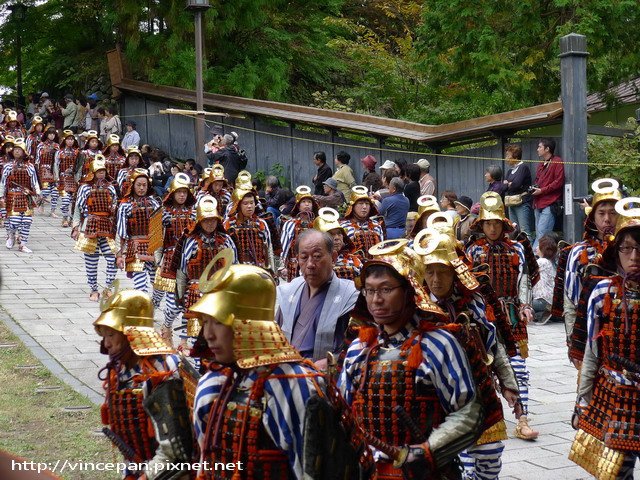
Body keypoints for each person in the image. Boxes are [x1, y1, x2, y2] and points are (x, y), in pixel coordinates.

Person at [338, 239, 483, 479]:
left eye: (386, 289)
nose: (376, 299)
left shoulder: (438, 344)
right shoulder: (358, 349)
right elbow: (345, 413)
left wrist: (427, 450)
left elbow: (468, 410)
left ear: (409, 290)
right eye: (370, 290)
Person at [190, 257, 325, 479]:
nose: (208, 335)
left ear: (247, 323)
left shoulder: (289, 384)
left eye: (218, 322)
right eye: (205, 322)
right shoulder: (215, 381)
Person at [415, 219, 521, 480]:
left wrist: (508, 384)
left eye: (443, 271)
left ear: (455, 270)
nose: (436, 279)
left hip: (478, 388)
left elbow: (491, 342)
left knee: (490, 455)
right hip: (434, 396)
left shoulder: (473, 300)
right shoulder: (414, 307)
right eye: (430, 272)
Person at [569, 196, 640, 479]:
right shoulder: (602, 293)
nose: (634, 257)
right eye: (626, 248)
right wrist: (582, 401)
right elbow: (592, 353)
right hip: (613, 396)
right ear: (616, 251)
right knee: (615, 473)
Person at [94, 289, 192, 480]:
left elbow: (175, 450)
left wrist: (146, 476)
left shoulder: (163, 369)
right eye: (103, 335)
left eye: (111, 335)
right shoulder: (120, 370)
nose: (105, 344)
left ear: (132, 333)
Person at [466, 192, 540, 440]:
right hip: (483, 316)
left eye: (496, 222)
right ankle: (487, 421)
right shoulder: (473, 250)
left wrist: (525, 304)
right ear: (481, 225)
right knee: (484, 367)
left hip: (512, 314)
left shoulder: (518, 247)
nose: (493, 227)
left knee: (518, 367)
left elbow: (528, 278)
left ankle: (522, 417)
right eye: (488, 223)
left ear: (504, 223)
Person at [562, 178, 621, 367]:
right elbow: (571, 301)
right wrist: (573, 342)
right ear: (592, 216)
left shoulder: (631, 248)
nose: (607, 219)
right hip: (590, 332)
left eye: (613, 213)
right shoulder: (580, 252)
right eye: (601, 213)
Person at [276, 229, 358, 360]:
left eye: (317, 256)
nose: (310, 264)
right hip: (289, 372)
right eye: (304, 257)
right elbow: (275, 339)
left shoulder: (350, 296)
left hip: (326, 376)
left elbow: (359, 348)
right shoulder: (289, 291)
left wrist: (334, 362)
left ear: (333, 258)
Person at [176, 196, 237, 353]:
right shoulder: (191, 241)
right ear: (199, 222)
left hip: (220, 291)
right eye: (206, 220)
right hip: (196, 291)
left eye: (213, 220)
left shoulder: (226, 240)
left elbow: (235, 265)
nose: (210, 224)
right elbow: (183, 270)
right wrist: (181, 294)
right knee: (196, 335)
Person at [153, 173, 197, 347]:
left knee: (188, 302)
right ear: (172, 193)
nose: (182, 195)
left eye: (185, 192)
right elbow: (157, 238)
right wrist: (158, 259)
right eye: (179, 192)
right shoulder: (164, 212)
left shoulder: (194, 214)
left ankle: (184, 340)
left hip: (190, 262)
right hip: (171, 259)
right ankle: (166, 326)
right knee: (173, 304)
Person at [71, 156, 118, 301]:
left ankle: (108, 288)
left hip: (106, 225)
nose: (101, 174)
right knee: (92, 260)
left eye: (103, 171)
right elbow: (78, 208)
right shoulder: (85, 188)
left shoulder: (110, 187)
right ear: (93, 172)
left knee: (113, 257)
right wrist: (76, 226)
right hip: (89, 226)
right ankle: (93, 289)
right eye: (99, 171)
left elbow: (115, 206)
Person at [115, 169, 161, 293]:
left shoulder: (154, 204)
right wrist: (119, 255)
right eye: (138, 185)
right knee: (141, 287)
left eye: (144, 185)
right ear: (132, 185)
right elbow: (121, 232)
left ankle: (153, 306)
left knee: (159, 286)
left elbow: (160, 230)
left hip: (153, 247)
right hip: (134, 247)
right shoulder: (125, 206)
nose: (141, 188)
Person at [223, 171, 274, 271]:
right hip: (237, 272)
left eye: (252, 203)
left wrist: (271, 271)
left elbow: (268, 249)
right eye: (245, 204)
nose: (250, 206)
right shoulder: (228, 225)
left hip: (258, 271)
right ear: (238, 206)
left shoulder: (261, 224)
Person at [0, 139, 40, 253]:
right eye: (15, 150)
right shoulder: (8, 166)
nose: (17, 152)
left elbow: (34, 181)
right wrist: (1, 197)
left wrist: (37, 193)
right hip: (12, 196)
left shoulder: (30, 166)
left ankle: (23, 244)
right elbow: (3, 182)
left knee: (27, 221)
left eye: (19, 150)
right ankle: (11, 235)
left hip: (26, 196)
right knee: (14, 221)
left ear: (24, 152)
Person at [279, 186, 318, 281]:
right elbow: (284, 246)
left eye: (309, 202)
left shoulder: (318, 224)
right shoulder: (290, 224)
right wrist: (282, 266)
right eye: (304, 202)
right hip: (294, 265)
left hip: (315, 264)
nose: (307, 204)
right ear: (298, 205)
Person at [532, 138, 564, 249]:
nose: (537, 149)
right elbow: (538, 181)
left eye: (540, 147)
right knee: (539, 234)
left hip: (550, 203)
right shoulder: (541, 164)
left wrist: (543, 190)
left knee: (543, 235)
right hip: (537, 202)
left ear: (547, 149)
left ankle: (534, 259)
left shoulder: (557, 161)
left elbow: (558, 182)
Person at [314, 207, 363, 281]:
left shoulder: (353, 260)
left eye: (339, 233)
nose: (336, 238)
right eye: (331, 234)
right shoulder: (312, 262)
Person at [340, 186, 384, 259]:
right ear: (353, 207)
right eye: (360, 203)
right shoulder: (343, 227)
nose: (364, 207)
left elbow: (382, 249)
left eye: (367, 204)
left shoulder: (377, 226)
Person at [504, 144, 534, 238]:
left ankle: (529, 251)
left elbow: (516, 184)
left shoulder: (523, 167)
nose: (506, 158)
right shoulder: (510, 171)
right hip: (511, 203)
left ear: (515, 156)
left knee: (525, 231)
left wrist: (509, 184)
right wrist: (509, 184)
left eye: (508, 156)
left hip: (522, 202)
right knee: (513, 229)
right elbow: (504, 186)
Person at [53, 130, 81, 227]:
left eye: (72, 139)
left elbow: (80, 166)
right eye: (68, 139)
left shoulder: (78, 152)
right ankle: (64, 217)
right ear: (64, 140)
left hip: (74, 179)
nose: (70, 141)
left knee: (74, 201)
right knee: (65, 200)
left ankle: (72, 219)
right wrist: (56, 177)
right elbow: (56, 165)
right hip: (63, 178)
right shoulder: (59, 152)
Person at [532, 234, 557, 323]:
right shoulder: (549, 262)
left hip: (542, 301)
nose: (536, 248)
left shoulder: (542, 262)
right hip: (547, 300)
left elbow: (529, 269)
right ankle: (540, 314)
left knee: (519, 304)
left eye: (539, 245)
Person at [35, 126, 60, 217]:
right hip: (44, 169)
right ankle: (40, 201)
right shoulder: (41, 145)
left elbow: (58, 160)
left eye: (53, 134)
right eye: (50, 134)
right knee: (45, 190)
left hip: (54, 170)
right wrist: (37, 170)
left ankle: (52, 210)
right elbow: (37, 158)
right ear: (46, 135)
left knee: (55, 192)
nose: (52, 136)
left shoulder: (57, 146)